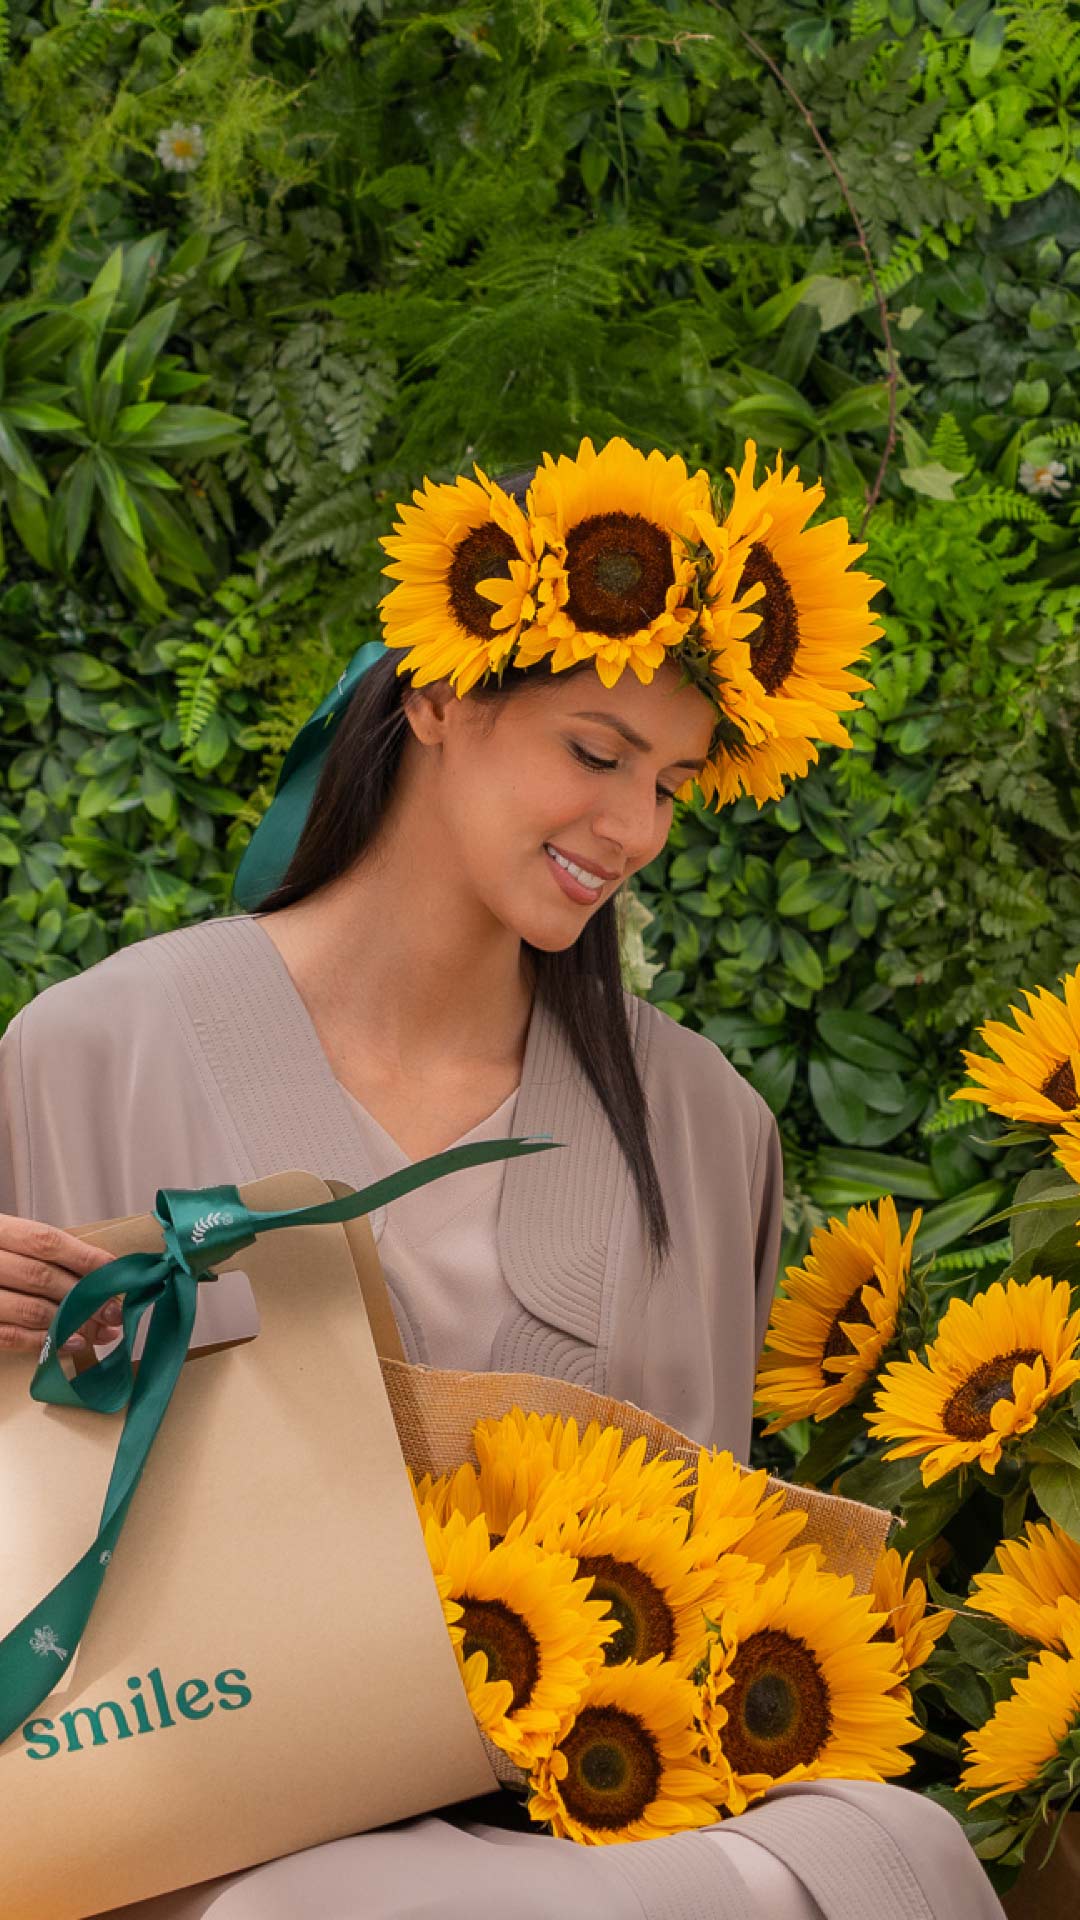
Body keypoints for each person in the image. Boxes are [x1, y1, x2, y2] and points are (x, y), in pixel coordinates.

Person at [0, 440, 1006, 1919]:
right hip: (222, 1818)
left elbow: (721, 1551)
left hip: (619, 1813)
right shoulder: (97, 1052)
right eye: (596, 754)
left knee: (890, 1850)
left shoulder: (705, 1125)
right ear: (434, 698)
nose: (634, 828)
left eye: (668, 784)